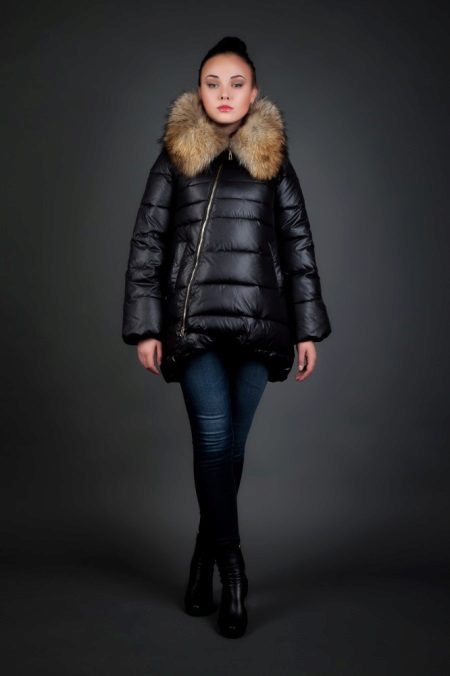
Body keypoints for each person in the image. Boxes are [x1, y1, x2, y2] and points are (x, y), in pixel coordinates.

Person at [122, 36, 332, 638]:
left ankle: (202, 557)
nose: (224, 94)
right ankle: (234, 571)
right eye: (213, 83)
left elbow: (298, 245)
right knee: (214, 442)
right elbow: (148, 241)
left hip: (260, 327)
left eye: (236, 83)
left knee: (231, 451)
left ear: (254, 91)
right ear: (199, 90)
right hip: (194, 328)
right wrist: (145, 326)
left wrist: (308, 329)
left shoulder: (274, 158)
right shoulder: (175, 156)